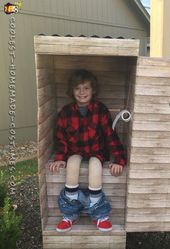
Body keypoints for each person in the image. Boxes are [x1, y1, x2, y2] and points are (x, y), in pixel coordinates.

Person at [49, 69, 126, 233]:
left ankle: (99, 215)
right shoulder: (66, 112)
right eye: (77, 88)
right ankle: (70, 214)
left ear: (93, 90)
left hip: (96, 151)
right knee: (72, 162)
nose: (82, 92)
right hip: (74, 151)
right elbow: (61, 137)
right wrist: (60, 157)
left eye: (86, 88)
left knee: (95, 165)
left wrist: (119, 160)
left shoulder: (101, 110)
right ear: (72, 90)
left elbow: (110, 135)